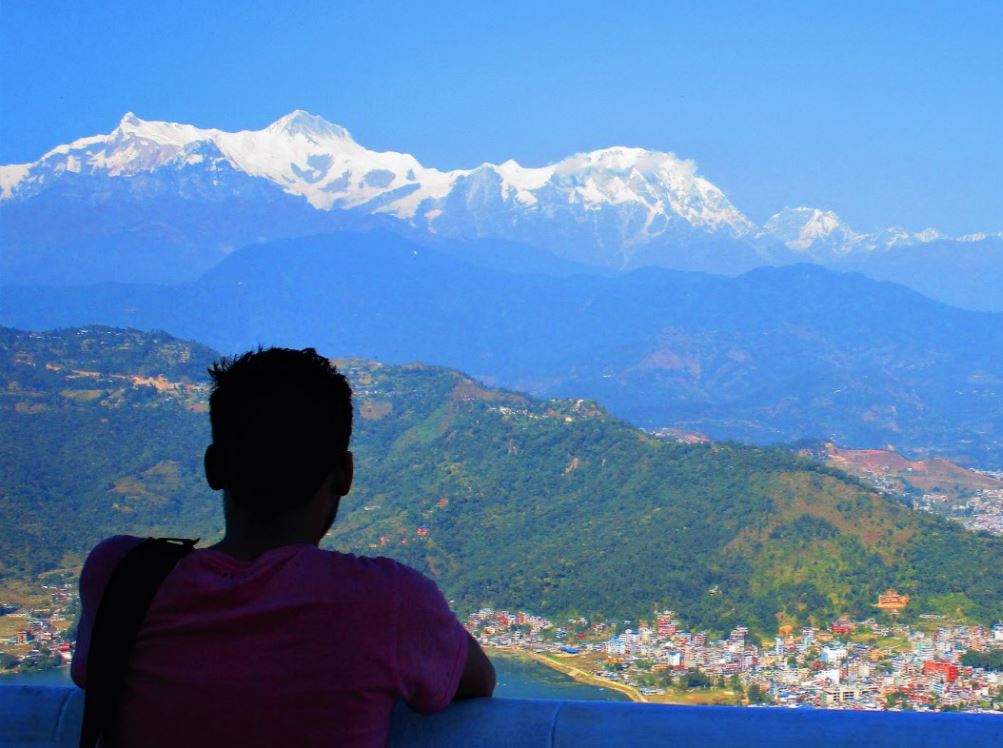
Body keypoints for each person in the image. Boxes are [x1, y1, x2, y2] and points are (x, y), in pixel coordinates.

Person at [72, 347, 494, 747]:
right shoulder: (390, 602)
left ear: (213, 467)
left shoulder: (118, 575)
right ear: (345, 475)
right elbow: (476, 679)